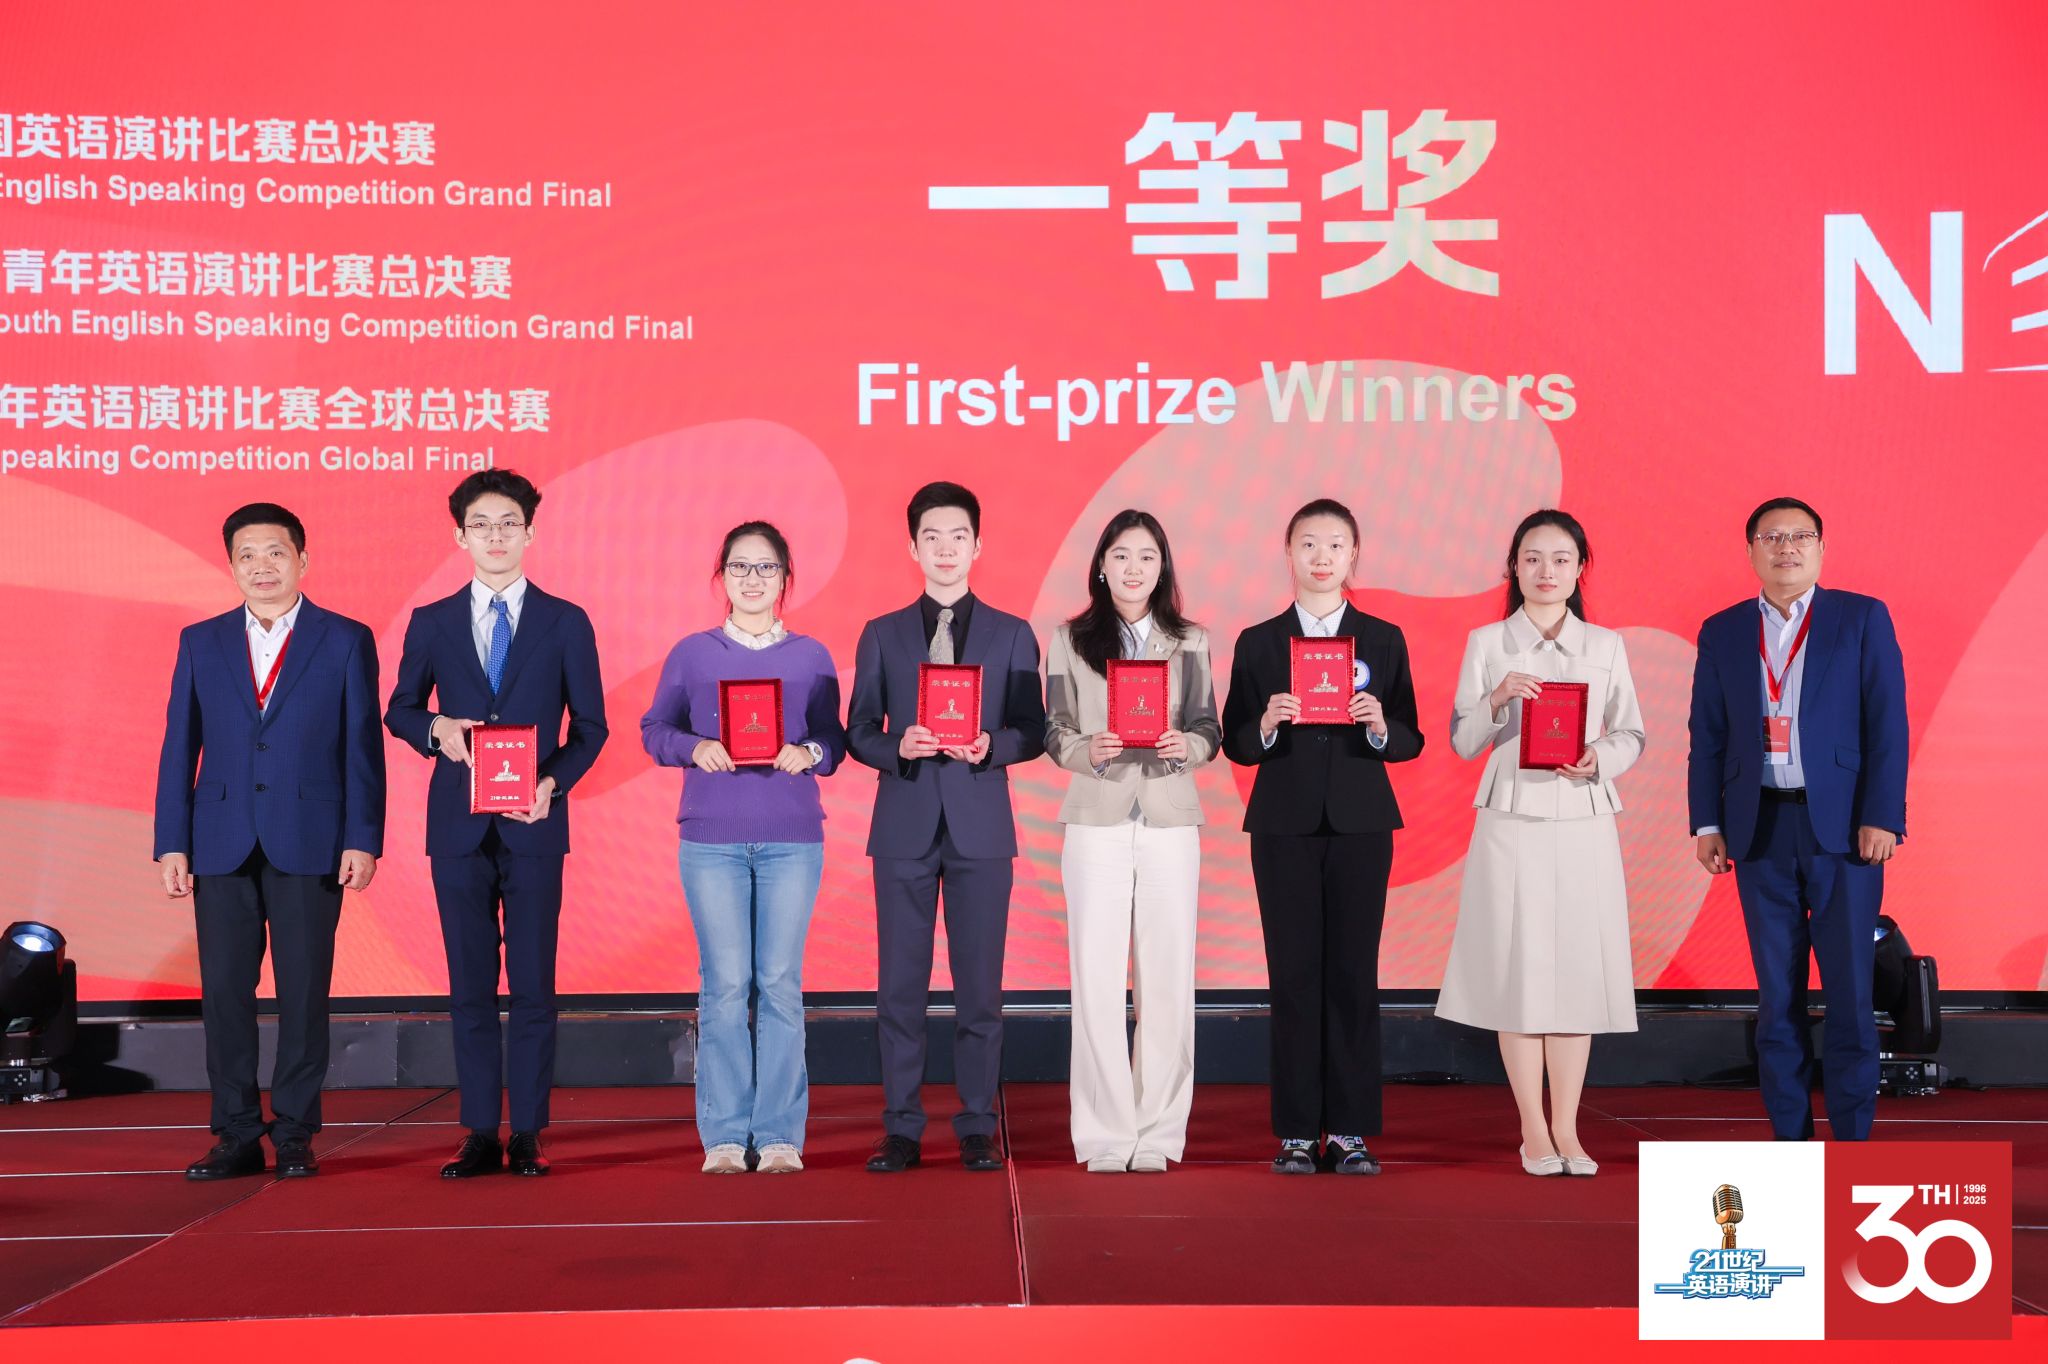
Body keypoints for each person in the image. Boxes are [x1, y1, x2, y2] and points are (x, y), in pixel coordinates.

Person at [385, 470, 608, 1178]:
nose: (496, 536)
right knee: (470, 985)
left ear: (530, 532)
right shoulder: (433, 621)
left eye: (509, 523)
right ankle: (481, 1129)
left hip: (533, 822)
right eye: (480, 524)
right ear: (460, 537)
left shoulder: (565, 621)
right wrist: (438, 729)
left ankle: (529, 1131)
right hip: (457, 826)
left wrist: (551, 784)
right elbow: (399, 709)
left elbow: (592, 728)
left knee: (535, 984)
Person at [153, 503, 385, 1180]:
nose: (262, 566)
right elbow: (179, 746)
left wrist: (363, 837)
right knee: (225, 993)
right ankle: (235, 1133)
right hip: (219, 838)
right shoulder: (201, 641)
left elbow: (362, 748)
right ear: (231, 565)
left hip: (311, 837)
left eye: (276, 552)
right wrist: (172, 841)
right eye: (247, 555)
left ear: (303, 560)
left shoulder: (345, 639)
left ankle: (295, 1133)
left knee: (305, 992)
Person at [1688, 497, 1906, 1142]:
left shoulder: (1861, 617)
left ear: (1821, 547)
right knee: (1776, 998)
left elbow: (1888, 723)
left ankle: (1852, 1139)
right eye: (1772, 537)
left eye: (1800, 536)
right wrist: (1706, 823)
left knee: (1850, 994)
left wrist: (1882, 815)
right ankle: (1790, 1140)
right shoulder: (1724, 629)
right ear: (1751, 550)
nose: (1787, 547)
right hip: (1759, 829)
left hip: (1843, 833)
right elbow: (1708, 734)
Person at [1436, 510, 1645, 1177]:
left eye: (1560, 559)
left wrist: (1599, 758)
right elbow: (1463, 741)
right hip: (1511, 820)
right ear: (1514, 567)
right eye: (1532, 558)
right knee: (1519, 966)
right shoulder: (1487, 642)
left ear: (1580, 568)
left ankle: (1569, 1128)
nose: (1546, 571)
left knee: (1577, 969)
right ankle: (1533, 1128)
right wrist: (1497, 697)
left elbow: (1631, 733)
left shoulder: (1605, 645)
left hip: (1583, 817)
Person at [846, 481, 1046, 1173]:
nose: (945, 548)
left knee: (979, 989)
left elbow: (1033, 729)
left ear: (977, 545)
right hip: (903, 822)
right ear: (913, 547)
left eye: (958, 536)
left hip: (980, 827)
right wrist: (896, 747)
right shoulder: (882, 633)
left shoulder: (1012, 633)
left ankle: (977, 1124)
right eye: (931, 536)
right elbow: (858, 730)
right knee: (899, 988)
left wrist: (993, 746)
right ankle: (902, 1126)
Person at [1221, 498, 1424, 1175]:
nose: (1322, 556)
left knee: (1354, 975)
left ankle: (1351, 1131)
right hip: (1283, 824)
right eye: (1309, 543)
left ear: (1354, 554)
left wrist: (1380, 726)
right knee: (1292, 975)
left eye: (1335, 544)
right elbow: (1235, 741)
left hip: (1363, 823)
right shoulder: (1259, 641)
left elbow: (1411, 737)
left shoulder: (1383, 638)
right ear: (1288, 552)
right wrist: (1267, 723)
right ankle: (1297, 1133)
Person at [641, 521, 845, 1174]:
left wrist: (809, 751)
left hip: (792, 838)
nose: (752, 579)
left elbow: (834, 739)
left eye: (766, 568)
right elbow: (654, 729)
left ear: (785, 578)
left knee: (780, 983)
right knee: (725, 985)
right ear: (721, 575)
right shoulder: (692, 654)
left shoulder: (811, 655)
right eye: (740, 567)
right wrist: (693, 746)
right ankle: (725, 1136)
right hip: (712, 840)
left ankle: (780, 1134)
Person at [1044, 510, 1220, 1173]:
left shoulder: (1191, 639)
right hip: (1096, 817)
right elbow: (1054, 727)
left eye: (1147, 556)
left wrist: (1187, 747)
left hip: (1171, 817)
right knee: (1094, 978)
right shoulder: (1069, 639)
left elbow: (1208, 725)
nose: (1134, 568)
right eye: (1121, 555)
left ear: (1162, 567)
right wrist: (1085, 750)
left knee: (1168, 977)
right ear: (1101, 566)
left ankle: (1159, 1132)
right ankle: (1104, 1135)